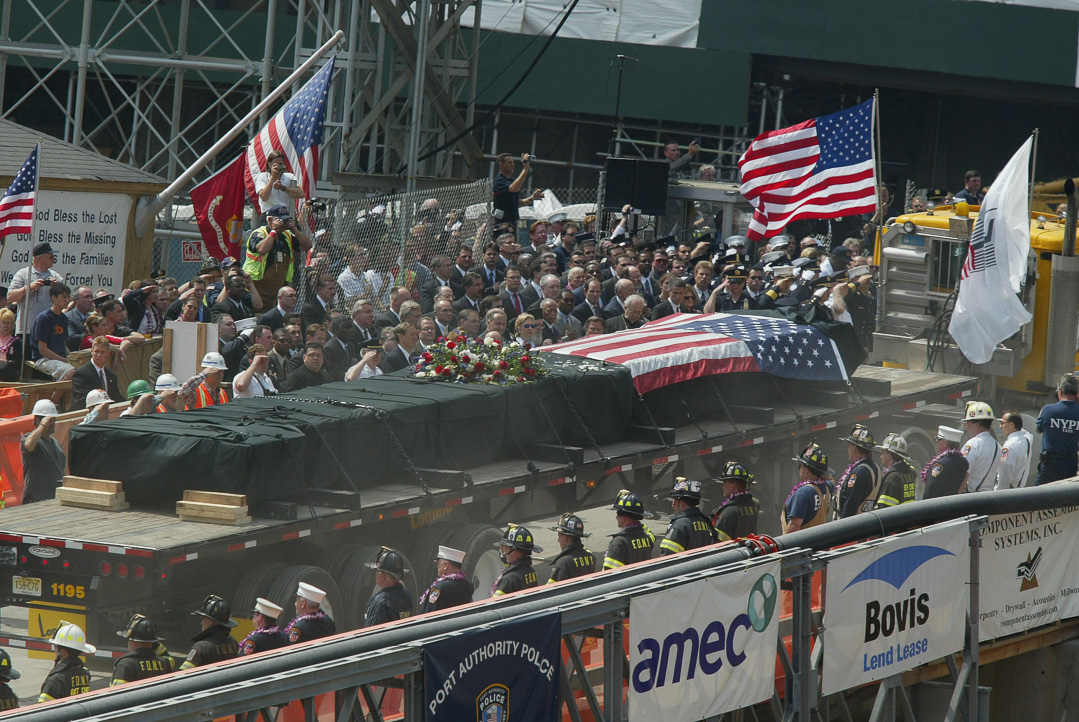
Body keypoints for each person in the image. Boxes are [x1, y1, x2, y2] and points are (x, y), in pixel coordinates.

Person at [244, 205, 311, 302]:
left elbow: (307, 246)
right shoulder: (259, 233)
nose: (283, 224)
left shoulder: (286, 235)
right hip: (256, 286)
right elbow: (262, 250)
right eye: (280, 220)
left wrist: (294, 230)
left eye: (285, 220)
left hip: (277, 288)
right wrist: (274, 231)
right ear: (270, 220)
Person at [9, 241, 64, 336]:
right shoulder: (23, 274)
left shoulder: (56, 276)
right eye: (51, 257)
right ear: (41, 258)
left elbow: (66, 300)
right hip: (27, 330)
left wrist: (57, 287)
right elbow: (10, 297)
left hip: (49, 329)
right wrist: (29, 288)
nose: (53, 259)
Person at [1035, 373, 1079, 485]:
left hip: (1050, 464)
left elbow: (1038, 429)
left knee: (1037, 498)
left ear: (1059, 392)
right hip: (1071, 464)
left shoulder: (1048, 410)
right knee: (1065, 500)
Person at [781, 443, 833, 533]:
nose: (800, 469)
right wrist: (820, 470)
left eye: (801, 465)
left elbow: (795, 525)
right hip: (820, 542)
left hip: (801, 545)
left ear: (807, 469)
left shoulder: (803, 492)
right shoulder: (827, 487)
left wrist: (783, 546)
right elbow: (831, 479)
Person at [30, 281, 75, 381]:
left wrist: (72, 358)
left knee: (81, 371)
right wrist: (64, 360)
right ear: (54, 298)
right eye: (64, 297)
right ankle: (53, 397)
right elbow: (43, 350)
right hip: (43, 359)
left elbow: (63, 345)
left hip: (59, 358)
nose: (67, 300)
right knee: (70, 371)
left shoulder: (64, 318)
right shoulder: (44, 318)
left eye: (68, 297)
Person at [21, 399, 64, 504]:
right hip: (35, 500)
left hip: (54, 499)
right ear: (38, 421)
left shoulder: (55, 443)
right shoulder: (29, 439)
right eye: (50, 420)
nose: (53, 423)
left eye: (54, 420)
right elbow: (28, 445)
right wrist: (43, 425)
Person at [38, 621, 93, 702]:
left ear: (63, 652)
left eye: (55, 647)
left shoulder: (55, 680)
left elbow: (42, 711)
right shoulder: (84, 673)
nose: (55, 651)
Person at [658, 478, 716, 556]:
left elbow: (667, 556)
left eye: (674, 501)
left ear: (682, 504)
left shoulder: (680, 525)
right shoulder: (704, 521)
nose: (672, 504)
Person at [835, 424, 882, 518]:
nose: (848, 449)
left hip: (853, 525)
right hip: (866, 520)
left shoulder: (859, 472)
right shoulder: (876, 467)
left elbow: (850, 505)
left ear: (854, 448)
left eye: (849, 446)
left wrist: (840, 528)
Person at [181, 594, 238, 668]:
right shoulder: (233, 643)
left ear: (210, 623)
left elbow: (184, 675)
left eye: (203, 619)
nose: (201, 623)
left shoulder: (201, 648)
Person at [111, 614, 171, 685]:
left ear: (135, 643)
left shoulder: (125, 665)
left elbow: (118, 692)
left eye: (129, 640)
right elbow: (168, 658)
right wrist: (152, 642)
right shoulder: (164, 663)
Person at [602, 491, 656, 569]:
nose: (616, 517)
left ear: (624, 518)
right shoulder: (646, 537)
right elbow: (650, 534)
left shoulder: (618, 542)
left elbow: (608, 574)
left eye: (617, 514)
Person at [711, 461, 761, 541]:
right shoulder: (754, 505)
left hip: (733, 552)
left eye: (724, 483)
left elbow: (717, 545)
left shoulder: (727, 514)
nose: (722, 487)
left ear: (732, 487)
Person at [364, 547, 413, 626]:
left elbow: (371, 634)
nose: (375, 574)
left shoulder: (379, 602)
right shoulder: (407, 596)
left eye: (376, 571)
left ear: (382, 576)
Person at [71, 335, 123, 410]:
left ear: (108, 354)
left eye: (102, 352)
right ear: (92, 351)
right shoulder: (81, 373)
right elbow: (81, 400)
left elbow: (116, 397)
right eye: (96, 351)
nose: (99, 355)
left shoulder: (111, 376)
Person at [418, 546, 474, 613]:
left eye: (438, 563)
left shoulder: (439, 588)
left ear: (445, 565)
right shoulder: (468, 585)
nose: (437, 566)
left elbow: (427, 613)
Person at [492, 153, 543, 226]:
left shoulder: (511, 181)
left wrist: (531, 198)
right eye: (509, 162)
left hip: (513, 223)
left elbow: (516, 203)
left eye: (513, 162)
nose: (513, 165)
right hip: (502, 224)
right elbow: (513, 189)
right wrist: (525, 169)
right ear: (501, 165)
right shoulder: (499, 181)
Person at [960, 401, 1000, 493]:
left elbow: (963, 471)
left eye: (968, 423)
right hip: (988, 496)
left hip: (971, 496)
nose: (967, 427)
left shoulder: (973, 444)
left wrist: (956, 495)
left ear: (977, 425)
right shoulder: (997, 445)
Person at [546, 513, 596, 583]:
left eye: (559, 536)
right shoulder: (590, 557)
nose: (558, 540)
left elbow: (550, 590)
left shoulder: (563, 563)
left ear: (566, 538)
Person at [491, 525, 541, 595]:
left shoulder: (508, 579)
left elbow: (494, 603)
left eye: (504, 551)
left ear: (515, 552)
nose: (503, 554)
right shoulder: (531, 571)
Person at [922, 426, 969, 499]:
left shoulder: (940, 464)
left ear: (945, 443)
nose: (936, 442)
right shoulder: (963, 462)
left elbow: (930, 489)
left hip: (938, 506)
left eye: (938, 440)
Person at [873, 434, 917, 508]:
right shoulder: (911, 472)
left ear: (889, 456)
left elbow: (884, 508)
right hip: (909, 515)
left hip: (897, 518)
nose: (880, 457)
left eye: (883, 453)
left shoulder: (891, 478)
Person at [254, 149, 304, 213]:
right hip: (269, 212)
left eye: (280, 164)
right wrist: (273, 177)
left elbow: (301, 193)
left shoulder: (289, 177)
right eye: (275, 164)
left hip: (284, 212)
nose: (277, 167)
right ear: (269, 164)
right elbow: (264, 197)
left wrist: (283, 188)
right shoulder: (263, 177)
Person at [996, 410, 1034, 489]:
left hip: (1007, 493)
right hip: (1019, 490)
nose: (1000, 426)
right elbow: (1026, 433)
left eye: (1002, 423)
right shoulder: (1027, 440)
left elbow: (1004, 475)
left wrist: (997, 492)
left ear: (1011, 425)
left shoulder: (1008, 446)